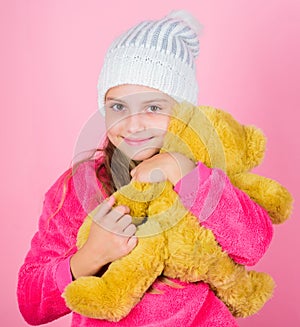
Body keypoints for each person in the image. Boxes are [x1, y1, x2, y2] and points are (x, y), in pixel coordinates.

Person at [17, 10, 273, 327]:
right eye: (118, 107)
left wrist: (187, 172)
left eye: (153, 107)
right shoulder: (81, 187)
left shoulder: (206, 171)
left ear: (182, 111)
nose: (133, 124)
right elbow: (31, 304)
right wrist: (91, 257)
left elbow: (254, 245)